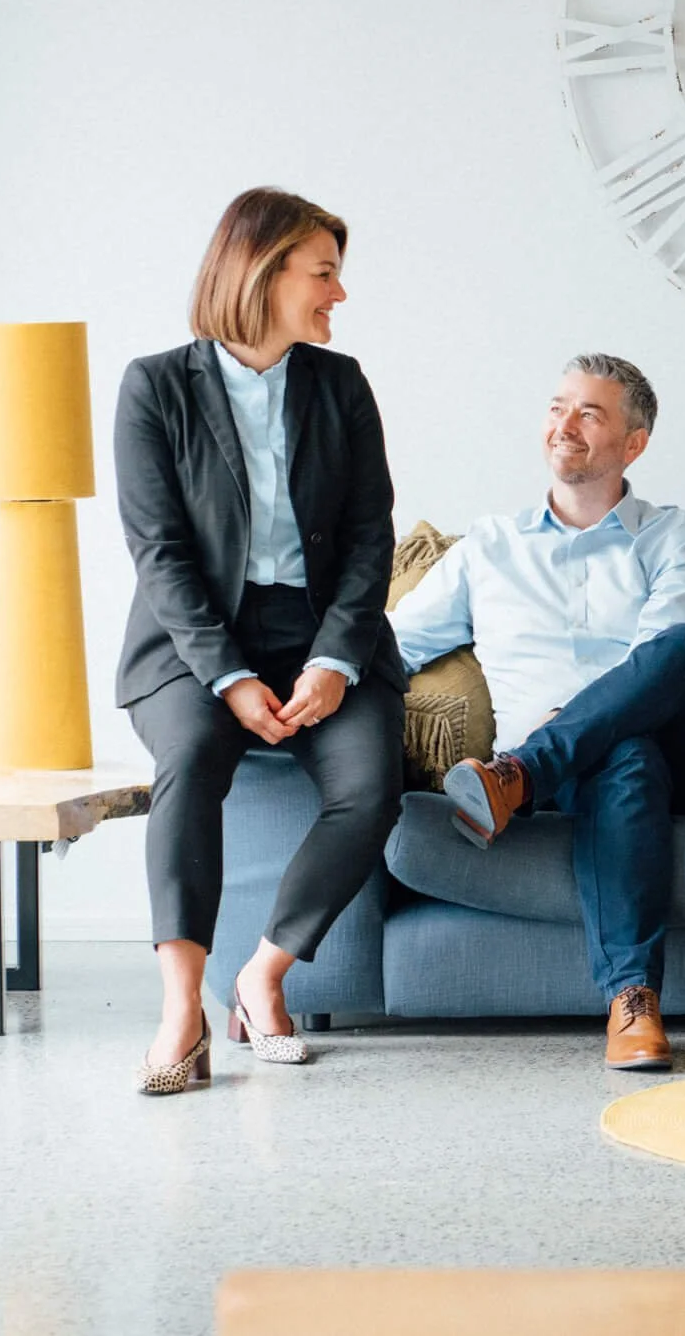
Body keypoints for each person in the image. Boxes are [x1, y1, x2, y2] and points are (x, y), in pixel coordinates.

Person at [114, 188, 407, 1095]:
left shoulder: (340, 384)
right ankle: (181, 1013)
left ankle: (264, 976)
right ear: (264, 270)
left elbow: (370, 537)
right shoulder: (155, 386)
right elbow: (159, 555)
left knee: (370, 785)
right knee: (194, 757)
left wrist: (333, 658)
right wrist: (230, 676)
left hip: (323, 632)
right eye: (323, 274)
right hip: (193, 639)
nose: (338, 295)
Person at [388, 356, 685, 1072]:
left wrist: (565, 726)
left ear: (634, 443)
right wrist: (310, 680)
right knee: (624, 756)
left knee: (679, 650)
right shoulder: (488, 548)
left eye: (591, 413)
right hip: (603, 771)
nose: (566, 424)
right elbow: (393, 648)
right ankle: (632, 1002)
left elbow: (667, 662)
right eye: (558, 407)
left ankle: (517, 774)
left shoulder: (672, 535)